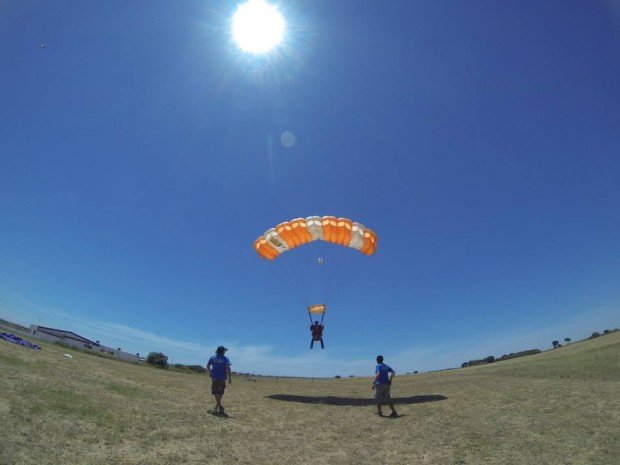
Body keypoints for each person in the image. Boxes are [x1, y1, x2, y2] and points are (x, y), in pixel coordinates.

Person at [206, 346, 232, 417]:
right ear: (222, 351)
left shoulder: (212, 357)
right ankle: (219, 406)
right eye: (224, 351)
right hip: (222, 378)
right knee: (220, 392)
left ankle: (217, 406)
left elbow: (208, 365)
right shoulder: (225, 359)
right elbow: (228, 369)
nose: (225, 352)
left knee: (216, 392)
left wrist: (210, 373)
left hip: (214, 378)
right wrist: (230, 378)